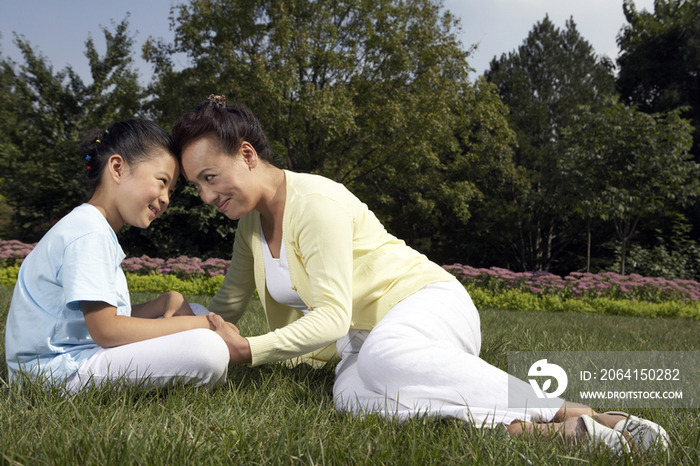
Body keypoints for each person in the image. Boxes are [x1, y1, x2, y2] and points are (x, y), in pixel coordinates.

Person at [172, 95, 669, 454]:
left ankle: (571, 409)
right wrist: (174, 329)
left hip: (426, 305)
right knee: (353, 397)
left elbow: (328, 317)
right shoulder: (249, 228)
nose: (207, 197)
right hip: (362, 343)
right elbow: (228, 307)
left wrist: (251, 350)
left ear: (247, 154)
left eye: (210, 178)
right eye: (197, 186)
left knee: (385, 357)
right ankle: (552, 434)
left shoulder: (315, 202)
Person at [4, 119, 230, 394]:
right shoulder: (89, 232)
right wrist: (203, 326)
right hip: (54, 373)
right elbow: (107, 330)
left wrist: (164, 302)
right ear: (117, 168)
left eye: (170, 191)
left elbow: (103, 317)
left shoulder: (91, 226)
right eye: (161, 182)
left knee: (195, 311)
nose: (166, 199)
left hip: (72, 358)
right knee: (209, 348)